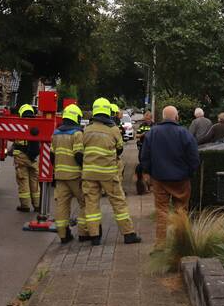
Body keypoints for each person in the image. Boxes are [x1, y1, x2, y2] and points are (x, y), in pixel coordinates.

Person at [82, 97, 142, 245]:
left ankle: (95, 236)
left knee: (91, 204)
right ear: (108, 111)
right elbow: (120, 148)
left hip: (89, 173)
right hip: (108, 172)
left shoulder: (87, 129)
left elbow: (81, 149)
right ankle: (128, 234)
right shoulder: (114, 129)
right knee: (118, 202)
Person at [139, 105, 200, 249]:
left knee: (161, 211)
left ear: (163, 117)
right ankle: (181, 244)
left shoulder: (152, 133)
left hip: (159, 179)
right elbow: (194, 158)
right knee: (181, 211)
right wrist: (190, 173)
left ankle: (160, 245)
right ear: (176, 117)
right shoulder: (185, 133)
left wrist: (148, 172)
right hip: (181, 180)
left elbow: (144, 156)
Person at [51, 104, 88, 243]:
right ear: (76, 117)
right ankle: (83, 233)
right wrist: (84, 169)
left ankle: (63, 235)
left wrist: (57, 169)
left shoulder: (55, 133)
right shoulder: (77, 133)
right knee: (84, 202)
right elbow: (79, 155)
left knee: (62, 205)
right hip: (75, 177)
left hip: (60, 176)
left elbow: (51, 156)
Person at [11, 104, 41, 212]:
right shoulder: (36, 125)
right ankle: (37, 205)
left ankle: (25, 205)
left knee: (23, 180)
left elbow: (12, 138)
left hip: (21, 157)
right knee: (34, 181)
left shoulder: (20, 125)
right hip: (33, 158)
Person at [135, 112, 154, 195]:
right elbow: (136, 135)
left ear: (151, 118)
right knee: (143, 166)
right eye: (146, 118)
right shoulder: (142, 125)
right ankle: (146, 186)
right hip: (143, 148)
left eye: (148, 118)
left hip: (152, 148)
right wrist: (142, 134)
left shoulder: (154, 126)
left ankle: (150, 186)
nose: (147, 120)